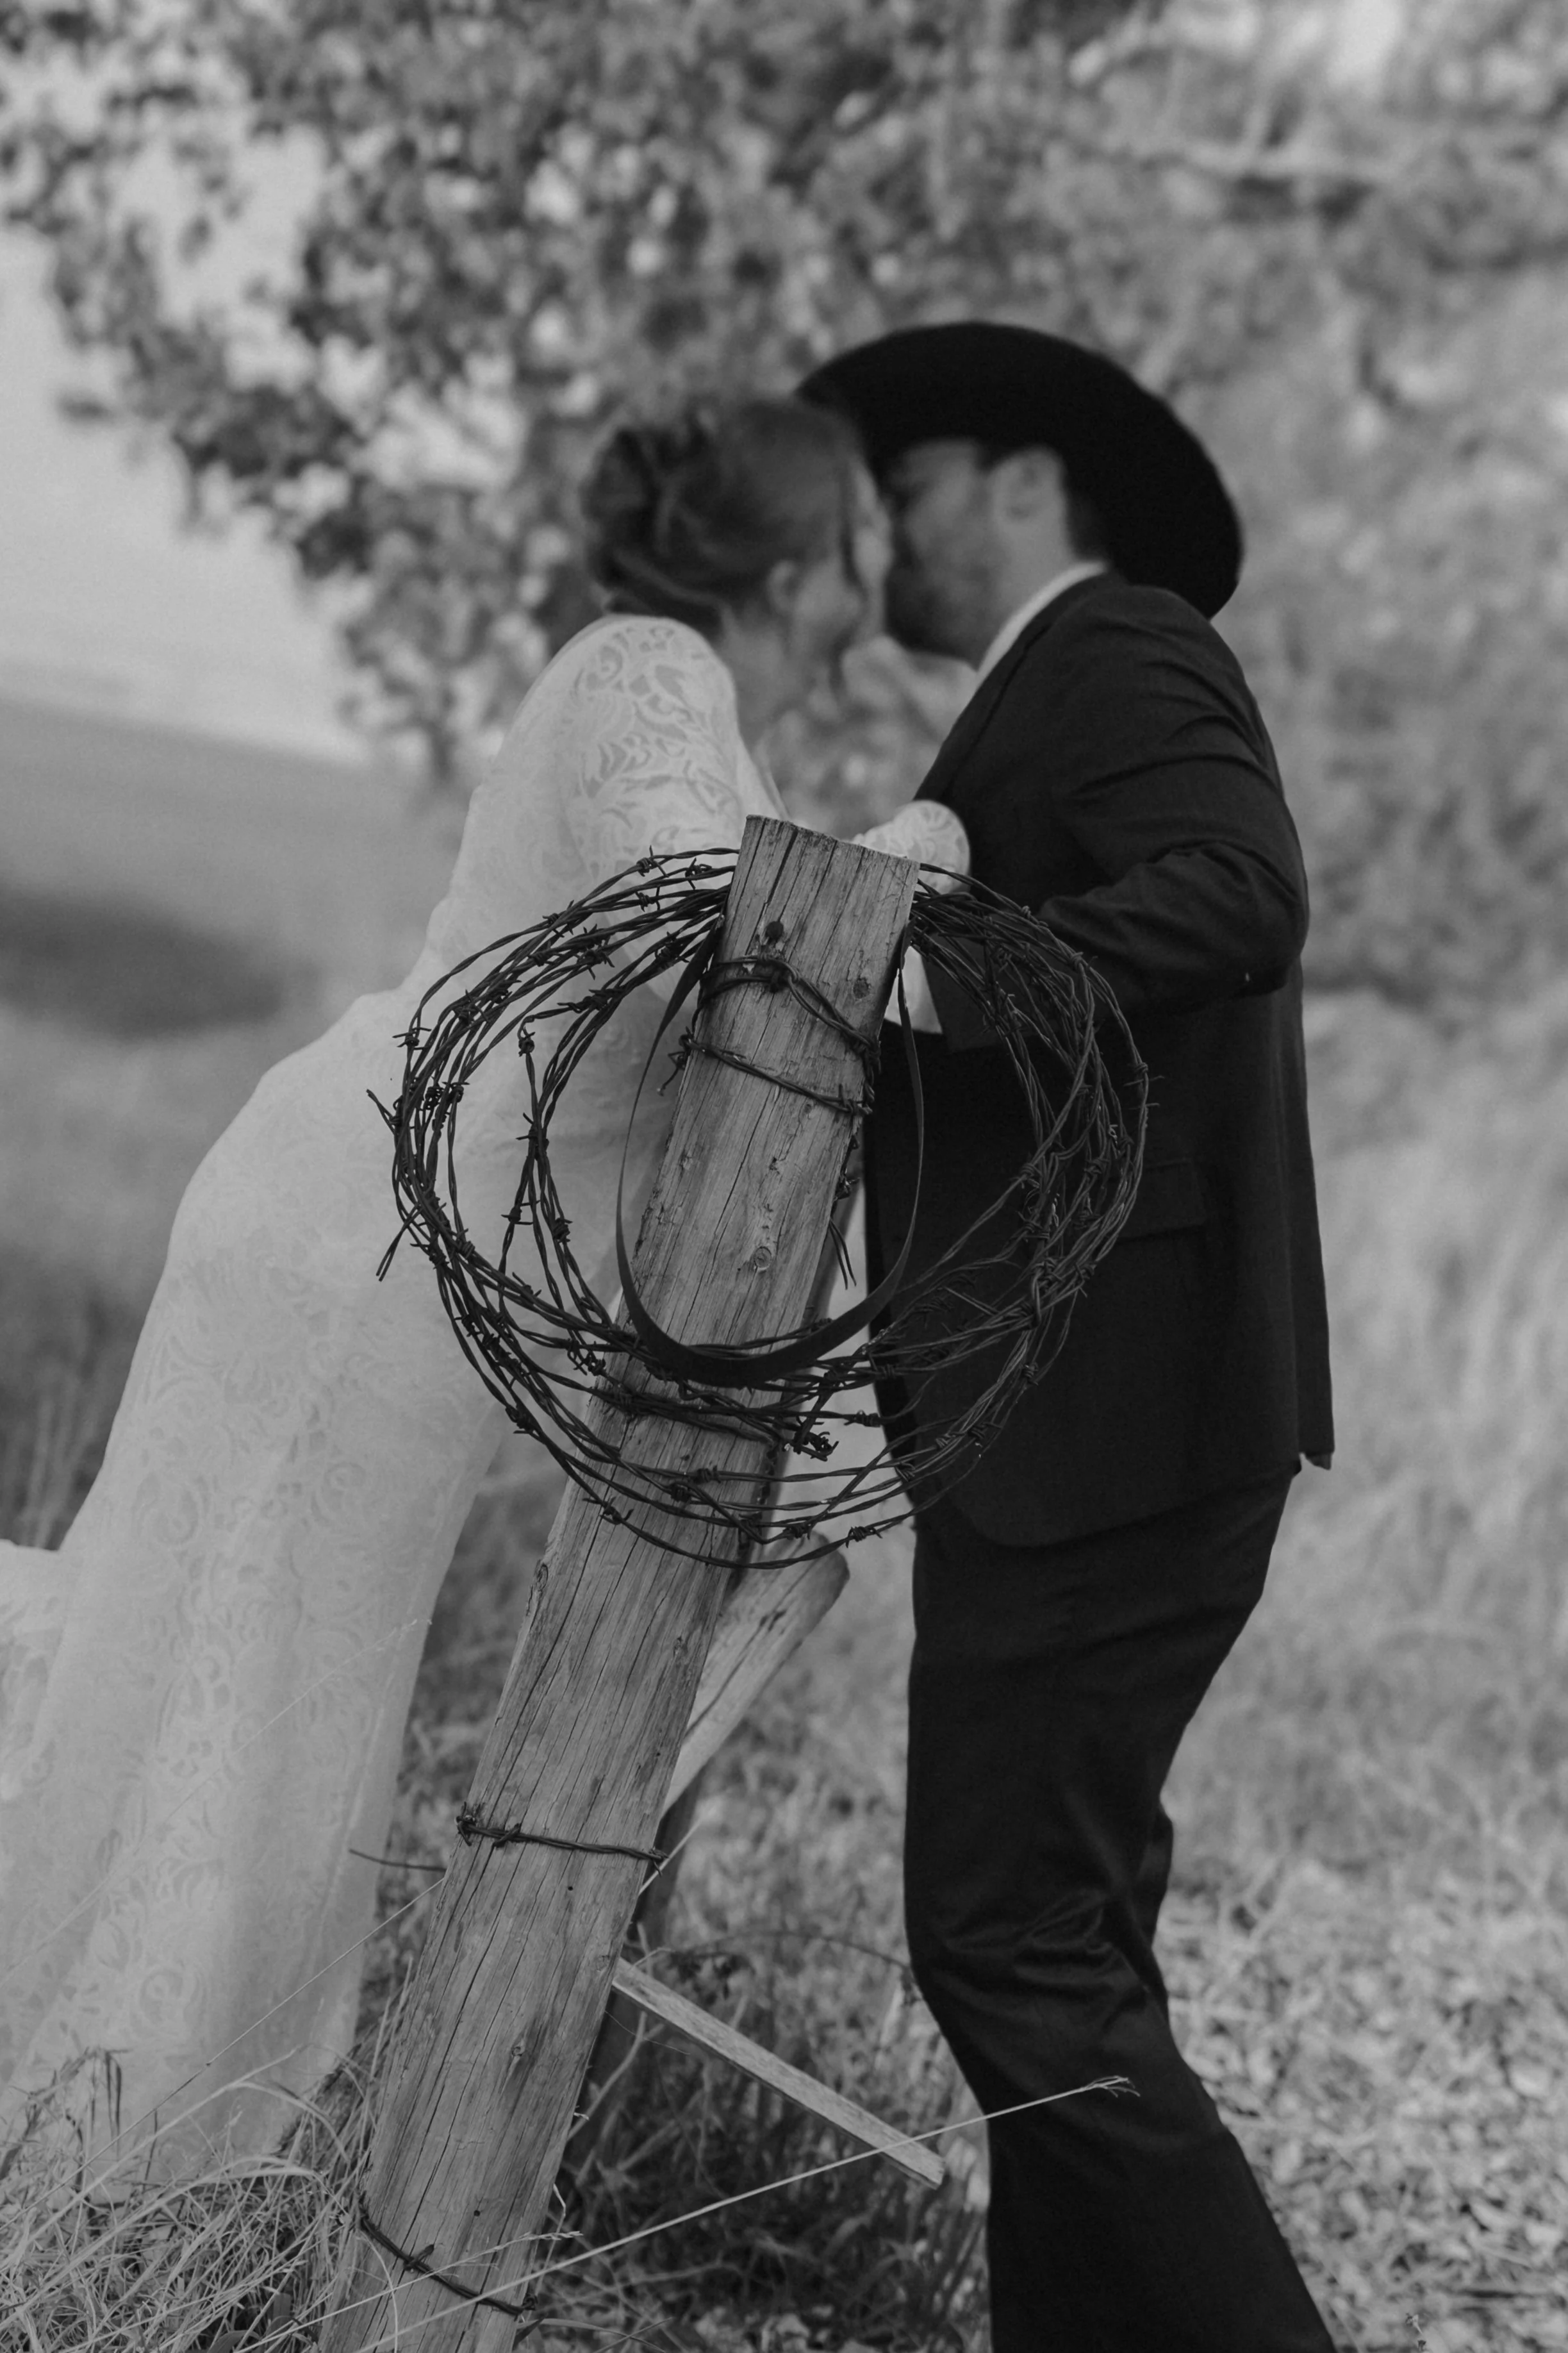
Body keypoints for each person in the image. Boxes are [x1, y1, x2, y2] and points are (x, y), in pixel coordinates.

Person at [0, 395, 967, 2172]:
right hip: (358, 1238)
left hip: (406, 1255)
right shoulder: (642, 674)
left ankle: (148, 2147)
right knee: (252, 1698)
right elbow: (736, 928)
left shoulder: (693, 701)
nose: (868, 605)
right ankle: (119, 2155)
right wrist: (932, 845)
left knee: (260, 1692)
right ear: (791, 564)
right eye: (860, 563)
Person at [802, 324, 1335, 2350]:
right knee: (1063, 1950)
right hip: (1096, 1415)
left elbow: (1238, 888)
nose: (883, 532)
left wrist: (940, 985)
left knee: (1006, 1952)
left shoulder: (1107, 650)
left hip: (1112, 1421)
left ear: (1023, 482)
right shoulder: (1040, 692)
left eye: (906, 486)